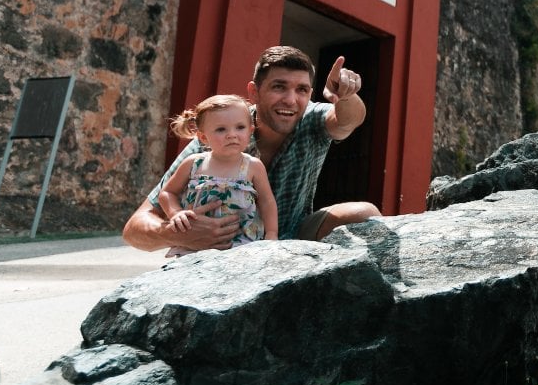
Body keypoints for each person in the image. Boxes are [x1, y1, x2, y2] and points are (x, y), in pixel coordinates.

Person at [123, 45, 380, 252]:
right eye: (279, 87)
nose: (291, 100)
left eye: (301, 90)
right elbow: (135, 228)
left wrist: (346, 96)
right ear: (254, 92)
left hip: (291, 237)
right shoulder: (216, 136)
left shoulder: (312, 120)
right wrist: (177, 232)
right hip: (221, 247)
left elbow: (349, 120)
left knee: (364, 214)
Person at [159, 94, 277, 257]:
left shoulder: (252, 166)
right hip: (196, 245)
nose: (232, 134)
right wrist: (176, 213)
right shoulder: (194, 164)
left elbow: (267, 201)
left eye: (240, 127)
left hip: (241, 244)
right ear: (203, 137)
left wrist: (271, 234)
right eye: (221, 129)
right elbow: (167, 193)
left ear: (251, 130)